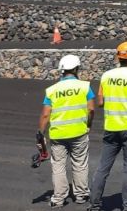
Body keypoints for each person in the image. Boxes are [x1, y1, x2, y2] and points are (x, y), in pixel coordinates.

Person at [89, 40, 127, 211]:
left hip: (111, 127)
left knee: (103, 168)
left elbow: (100, 102)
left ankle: (94, 204)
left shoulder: (106, 76)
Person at [39, 54, 95, 208]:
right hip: (79, 132)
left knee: (58, 166)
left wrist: (40, 133)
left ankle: (58, 198)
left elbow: (45, 114)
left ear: (62, 71)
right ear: (76, 69)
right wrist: (88, 125)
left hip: (58, 134)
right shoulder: (85, 87)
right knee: (80, 164)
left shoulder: (52, 90)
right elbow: (91, 109)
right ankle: (81, 195)